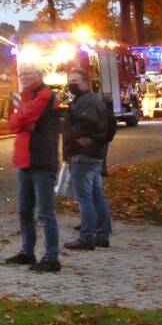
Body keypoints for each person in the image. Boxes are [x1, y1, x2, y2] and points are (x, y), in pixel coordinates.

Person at [4, 64, 61, 272]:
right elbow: (13, 123)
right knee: (24, 210)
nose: (24, 77)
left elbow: (25, 118)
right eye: (22, 74)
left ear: (40, 75)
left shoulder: (45, 95)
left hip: (41, 161)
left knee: (45, 212)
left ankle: (52, 257)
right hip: (25, 161)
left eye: (29, 74)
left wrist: (23, 119)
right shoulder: (26, 96)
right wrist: (23, 120)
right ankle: (27, 252)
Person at [63, 69, 112, 250]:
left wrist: (75, 136)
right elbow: (108, 126)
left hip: (82, 156)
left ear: (85, 82)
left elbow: (85, 124)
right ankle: (102, 234)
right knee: (97, 196)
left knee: (85, 198)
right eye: (69, 80)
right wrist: (99, 142)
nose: (71, 84)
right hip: (95, 156)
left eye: (74, 80)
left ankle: (86, 238)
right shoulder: (95, 100)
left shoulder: (85, 102)